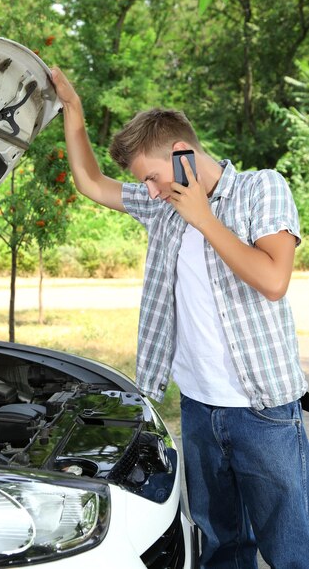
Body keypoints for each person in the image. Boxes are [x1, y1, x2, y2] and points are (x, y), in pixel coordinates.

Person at [50, 66, 309, 569]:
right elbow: (90, 182)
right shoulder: (163, 207)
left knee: (289, 551)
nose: (147, 190)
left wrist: (204, 219)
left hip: (264, 412)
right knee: (220, 545)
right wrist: (73, 108)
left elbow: (274, 279)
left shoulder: (262, 189)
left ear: (182, 154)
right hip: (198, 409)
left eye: (151, 175)